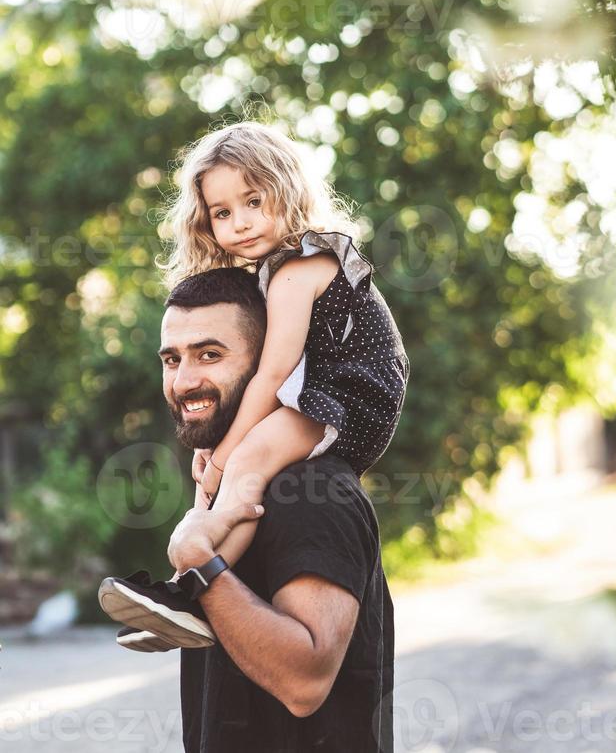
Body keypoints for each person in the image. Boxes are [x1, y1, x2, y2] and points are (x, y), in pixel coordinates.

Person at [99, 119, 409, 646]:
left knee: (244, 461)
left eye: (253, 202)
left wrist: (225, 454)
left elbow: (274, 371)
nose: (239, 223)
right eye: (222, 213)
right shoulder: (271, 271)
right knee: (239, 471)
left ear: (287, 191)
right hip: (324, 394)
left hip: (356, 396)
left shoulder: (299, 266)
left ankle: (192, 580)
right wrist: (221, 452)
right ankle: (185, 598)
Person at [108, 268, 397, 752]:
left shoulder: (310, 489)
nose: (184, 380)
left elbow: (305, 682)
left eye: (210, 355)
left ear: (268, 361)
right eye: (171, 359)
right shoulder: (238, 481)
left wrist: (200, 566)